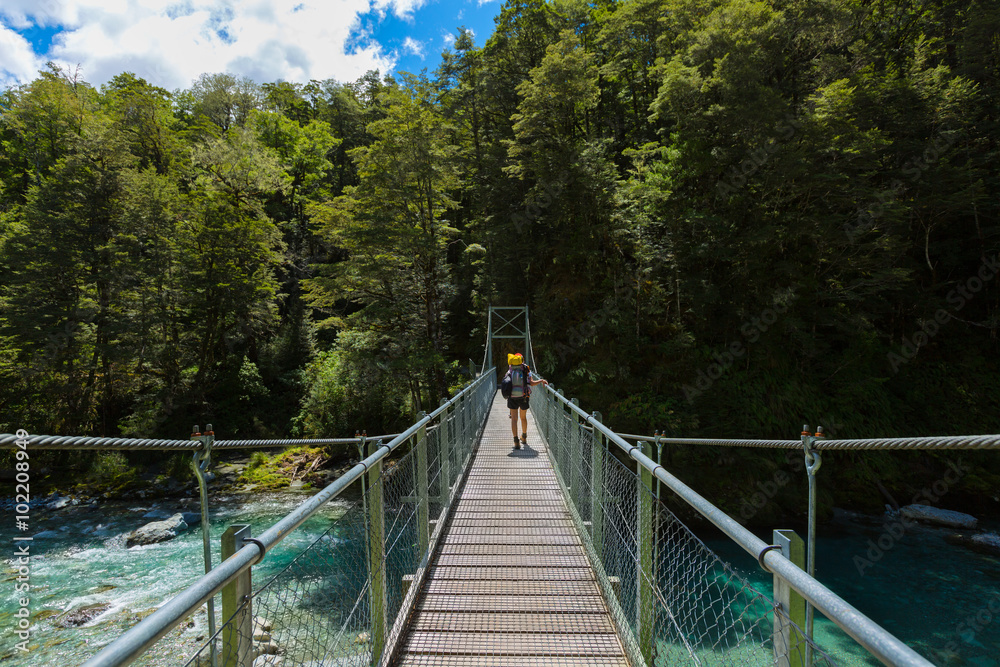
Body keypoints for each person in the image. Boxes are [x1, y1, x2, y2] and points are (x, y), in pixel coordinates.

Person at [504, 352, 547, 449]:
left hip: (512, 397)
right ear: (522, 360)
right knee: (523, 418)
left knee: (514, 419)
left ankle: (516, 441)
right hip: (524, 396)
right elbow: (531, 383)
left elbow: (506, 381)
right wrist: (541, 380)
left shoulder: (511, 368)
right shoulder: (526, 369)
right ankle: (524, 437)